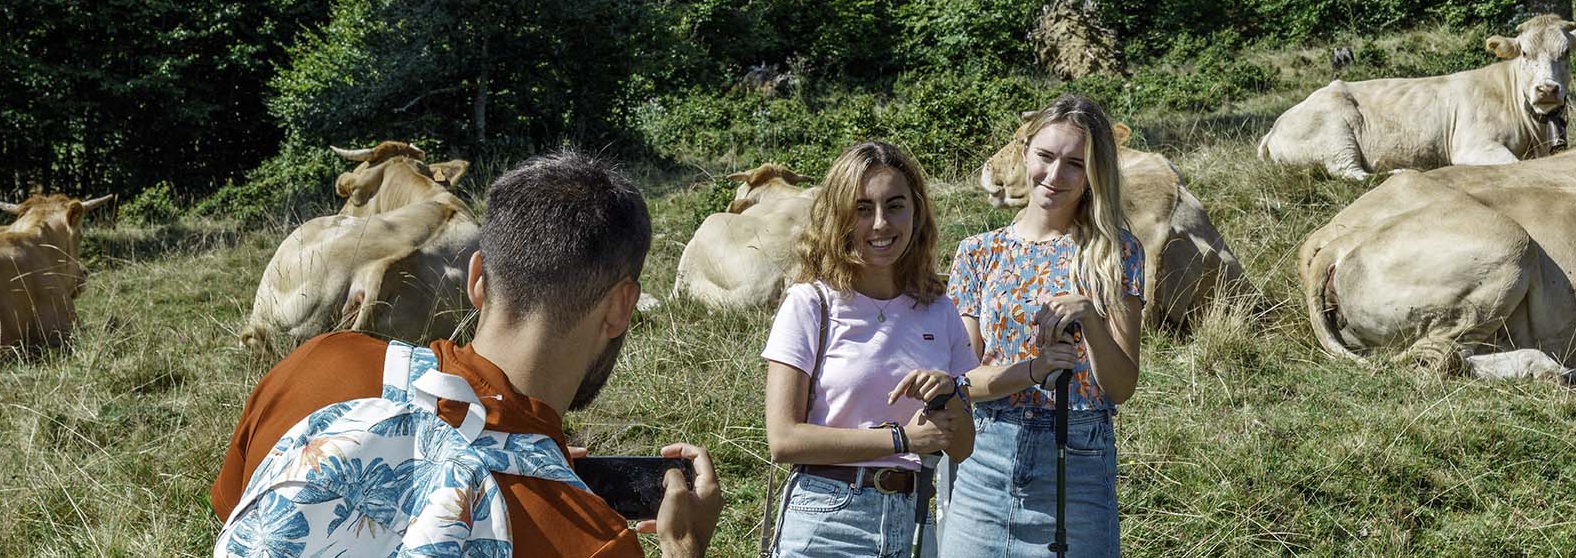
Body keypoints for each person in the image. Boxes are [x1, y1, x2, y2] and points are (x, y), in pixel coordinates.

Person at [210, 150, 724, 557]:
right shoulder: (594, 541)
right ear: (620, 307)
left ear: (476, 279)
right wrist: (684, 550)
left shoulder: (313, 365)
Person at [942, 94, 1145, 556]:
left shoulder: (1118, 253)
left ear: (1094, 174)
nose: (1054, 176)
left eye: (1075, 164)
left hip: (1079, 457)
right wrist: (1032, 371)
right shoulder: (977, 252)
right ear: (1026, 150)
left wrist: (1091, 320)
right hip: (985, 458)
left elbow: (1120, 386)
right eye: (1045, 157)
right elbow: (961, 380)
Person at [761, 141, 977, 557]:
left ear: (916, 212)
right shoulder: (810, 303)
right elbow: (783, 439)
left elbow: (963, 446)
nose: (881, 223)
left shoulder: (940, 309)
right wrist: (901, 440)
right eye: (863, 209)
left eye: (895, 206)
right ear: (839, 217)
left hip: (912, 518)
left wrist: (949, 392)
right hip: (826, 517)